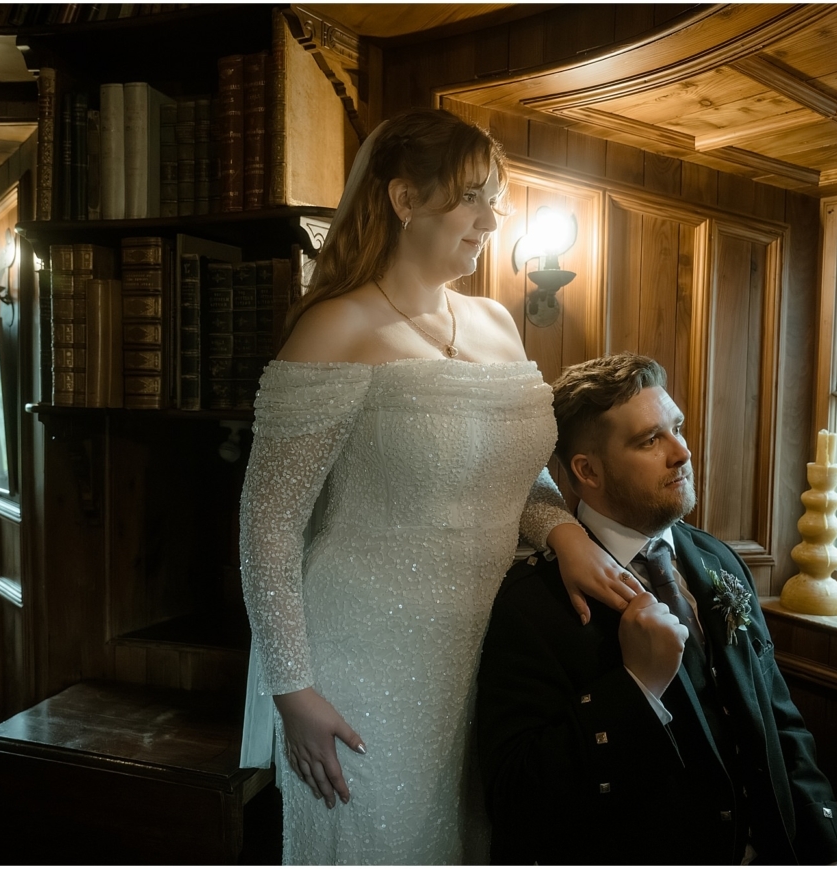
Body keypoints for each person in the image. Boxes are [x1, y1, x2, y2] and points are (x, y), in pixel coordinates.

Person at [237, 108, 635, 864]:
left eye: (497, 199)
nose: (493, 219)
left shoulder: (497, 324)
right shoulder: (335, 328)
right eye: (472, 197)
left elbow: (516, 479)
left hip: (485, 659)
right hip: (359, 666)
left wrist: (565, 531)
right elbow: (268, 524)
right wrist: (293, 691)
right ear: (403, 199)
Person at [476, 353, 837, 865]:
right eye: (649, 440)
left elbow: (780, 724)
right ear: (587, 471)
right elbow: (519, 799)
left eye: (676, 428)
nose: (681, 451)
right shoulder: (531, 605)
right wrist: (636, 688)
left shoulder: (718, 558)